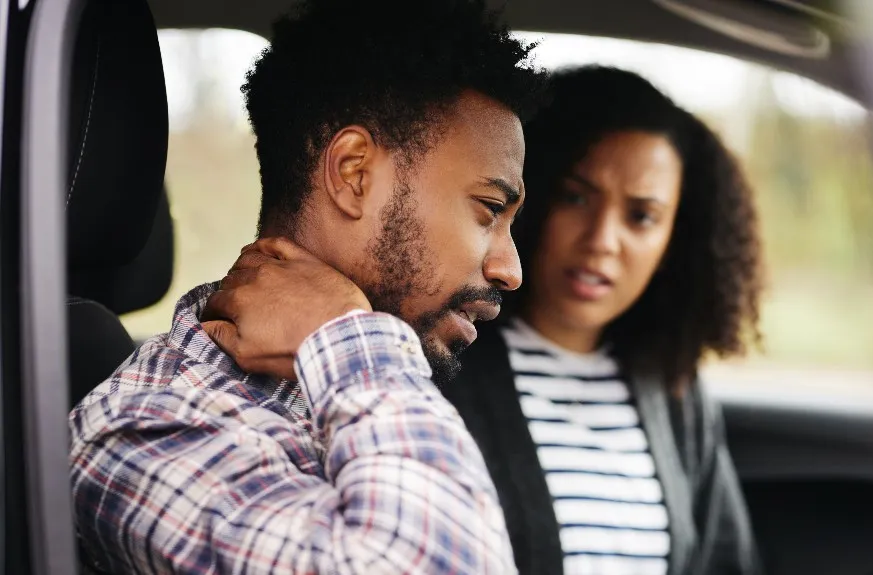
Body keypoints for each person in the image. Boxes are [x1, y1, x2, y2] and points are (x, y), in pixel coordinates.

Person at [68, 0, 544, 573]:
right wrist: (344, 334)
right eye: (490, 208)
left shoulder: (369, 390)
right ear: (352, 174)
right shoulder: (145, 429)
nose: (510, 269)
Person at [443, 66, 764, 575]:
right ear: (528, 197)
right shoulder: (446, 360)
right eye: (575, 197)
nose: (601, 240)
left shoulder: (674, 392)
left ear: (676, 237)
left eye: (641, 216)